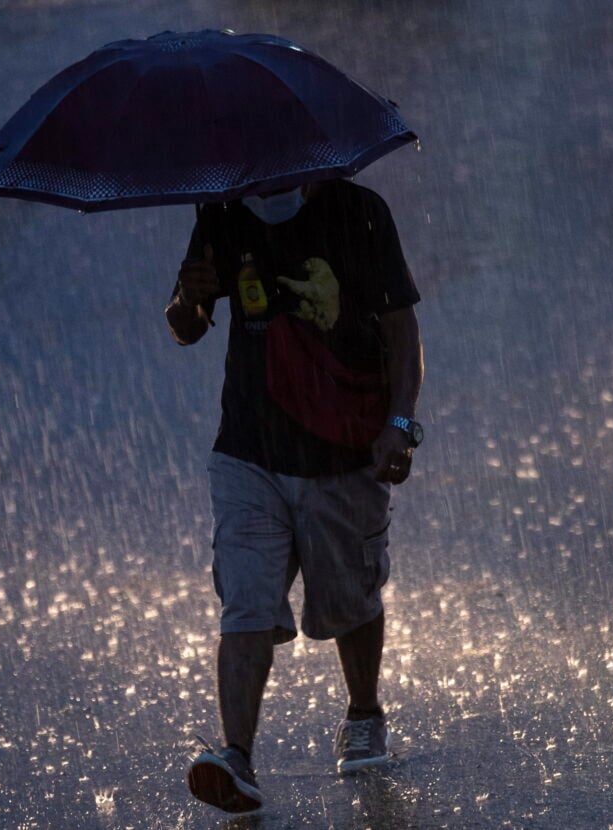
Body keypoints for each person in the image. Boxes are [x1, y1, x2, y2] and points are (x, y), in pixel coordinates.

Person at [168, 179, 424, 814]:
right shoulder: (221, 210)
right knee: (246, 600)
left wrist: (399, 423)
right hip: (247, 449)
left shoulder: (360, 211)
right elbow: (186, 326)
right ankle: (237, 756)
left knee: (348, 597)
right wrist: (189, 301)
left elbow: (400, 328)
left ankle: (364, 712)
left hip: (341, 444)